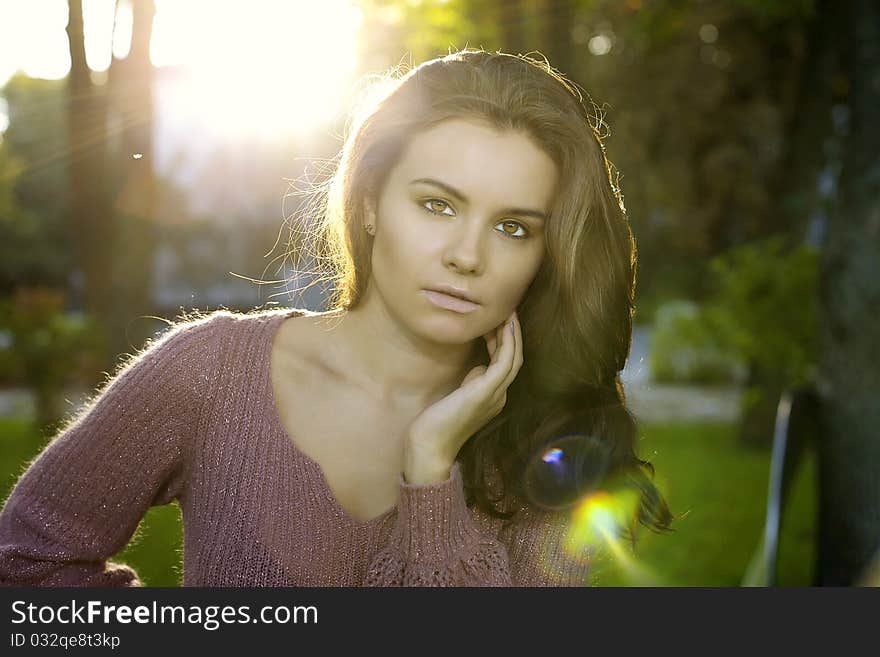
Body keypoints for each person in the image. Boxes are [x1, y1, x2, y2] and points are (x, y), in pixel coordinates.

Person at [0, 48, 672, 587]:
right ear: (372, 202)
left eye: (514, 227)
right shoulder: (210, 372)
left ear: (546, 253)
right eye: (438, 205)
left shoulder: (557, 442)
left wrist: (432, 467)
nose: (469, 255)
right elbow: (25, 563)